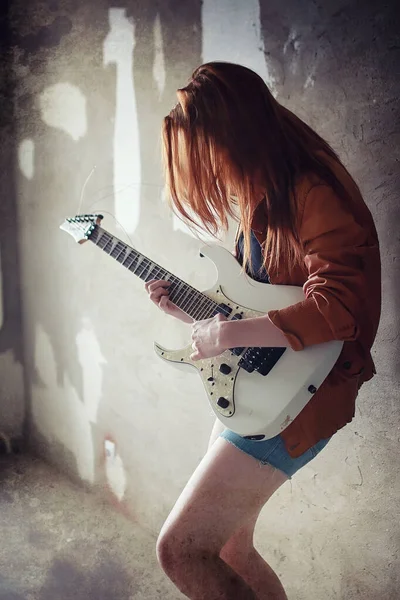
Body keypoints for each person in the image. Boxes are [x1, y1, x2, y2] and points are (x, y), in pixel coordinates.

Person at [144, 62, 381, 600]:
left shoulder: (314, 189)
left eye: (207, 153)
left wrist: (226, 337)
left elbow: (339, 305)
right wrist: (192, 318)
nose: (209, 172)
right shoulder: (262, 194)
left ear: (234, 134)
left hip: (303, 397)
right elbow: (257, 306)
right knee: (228, 549)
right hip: (263, 388)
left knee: (179, 549)